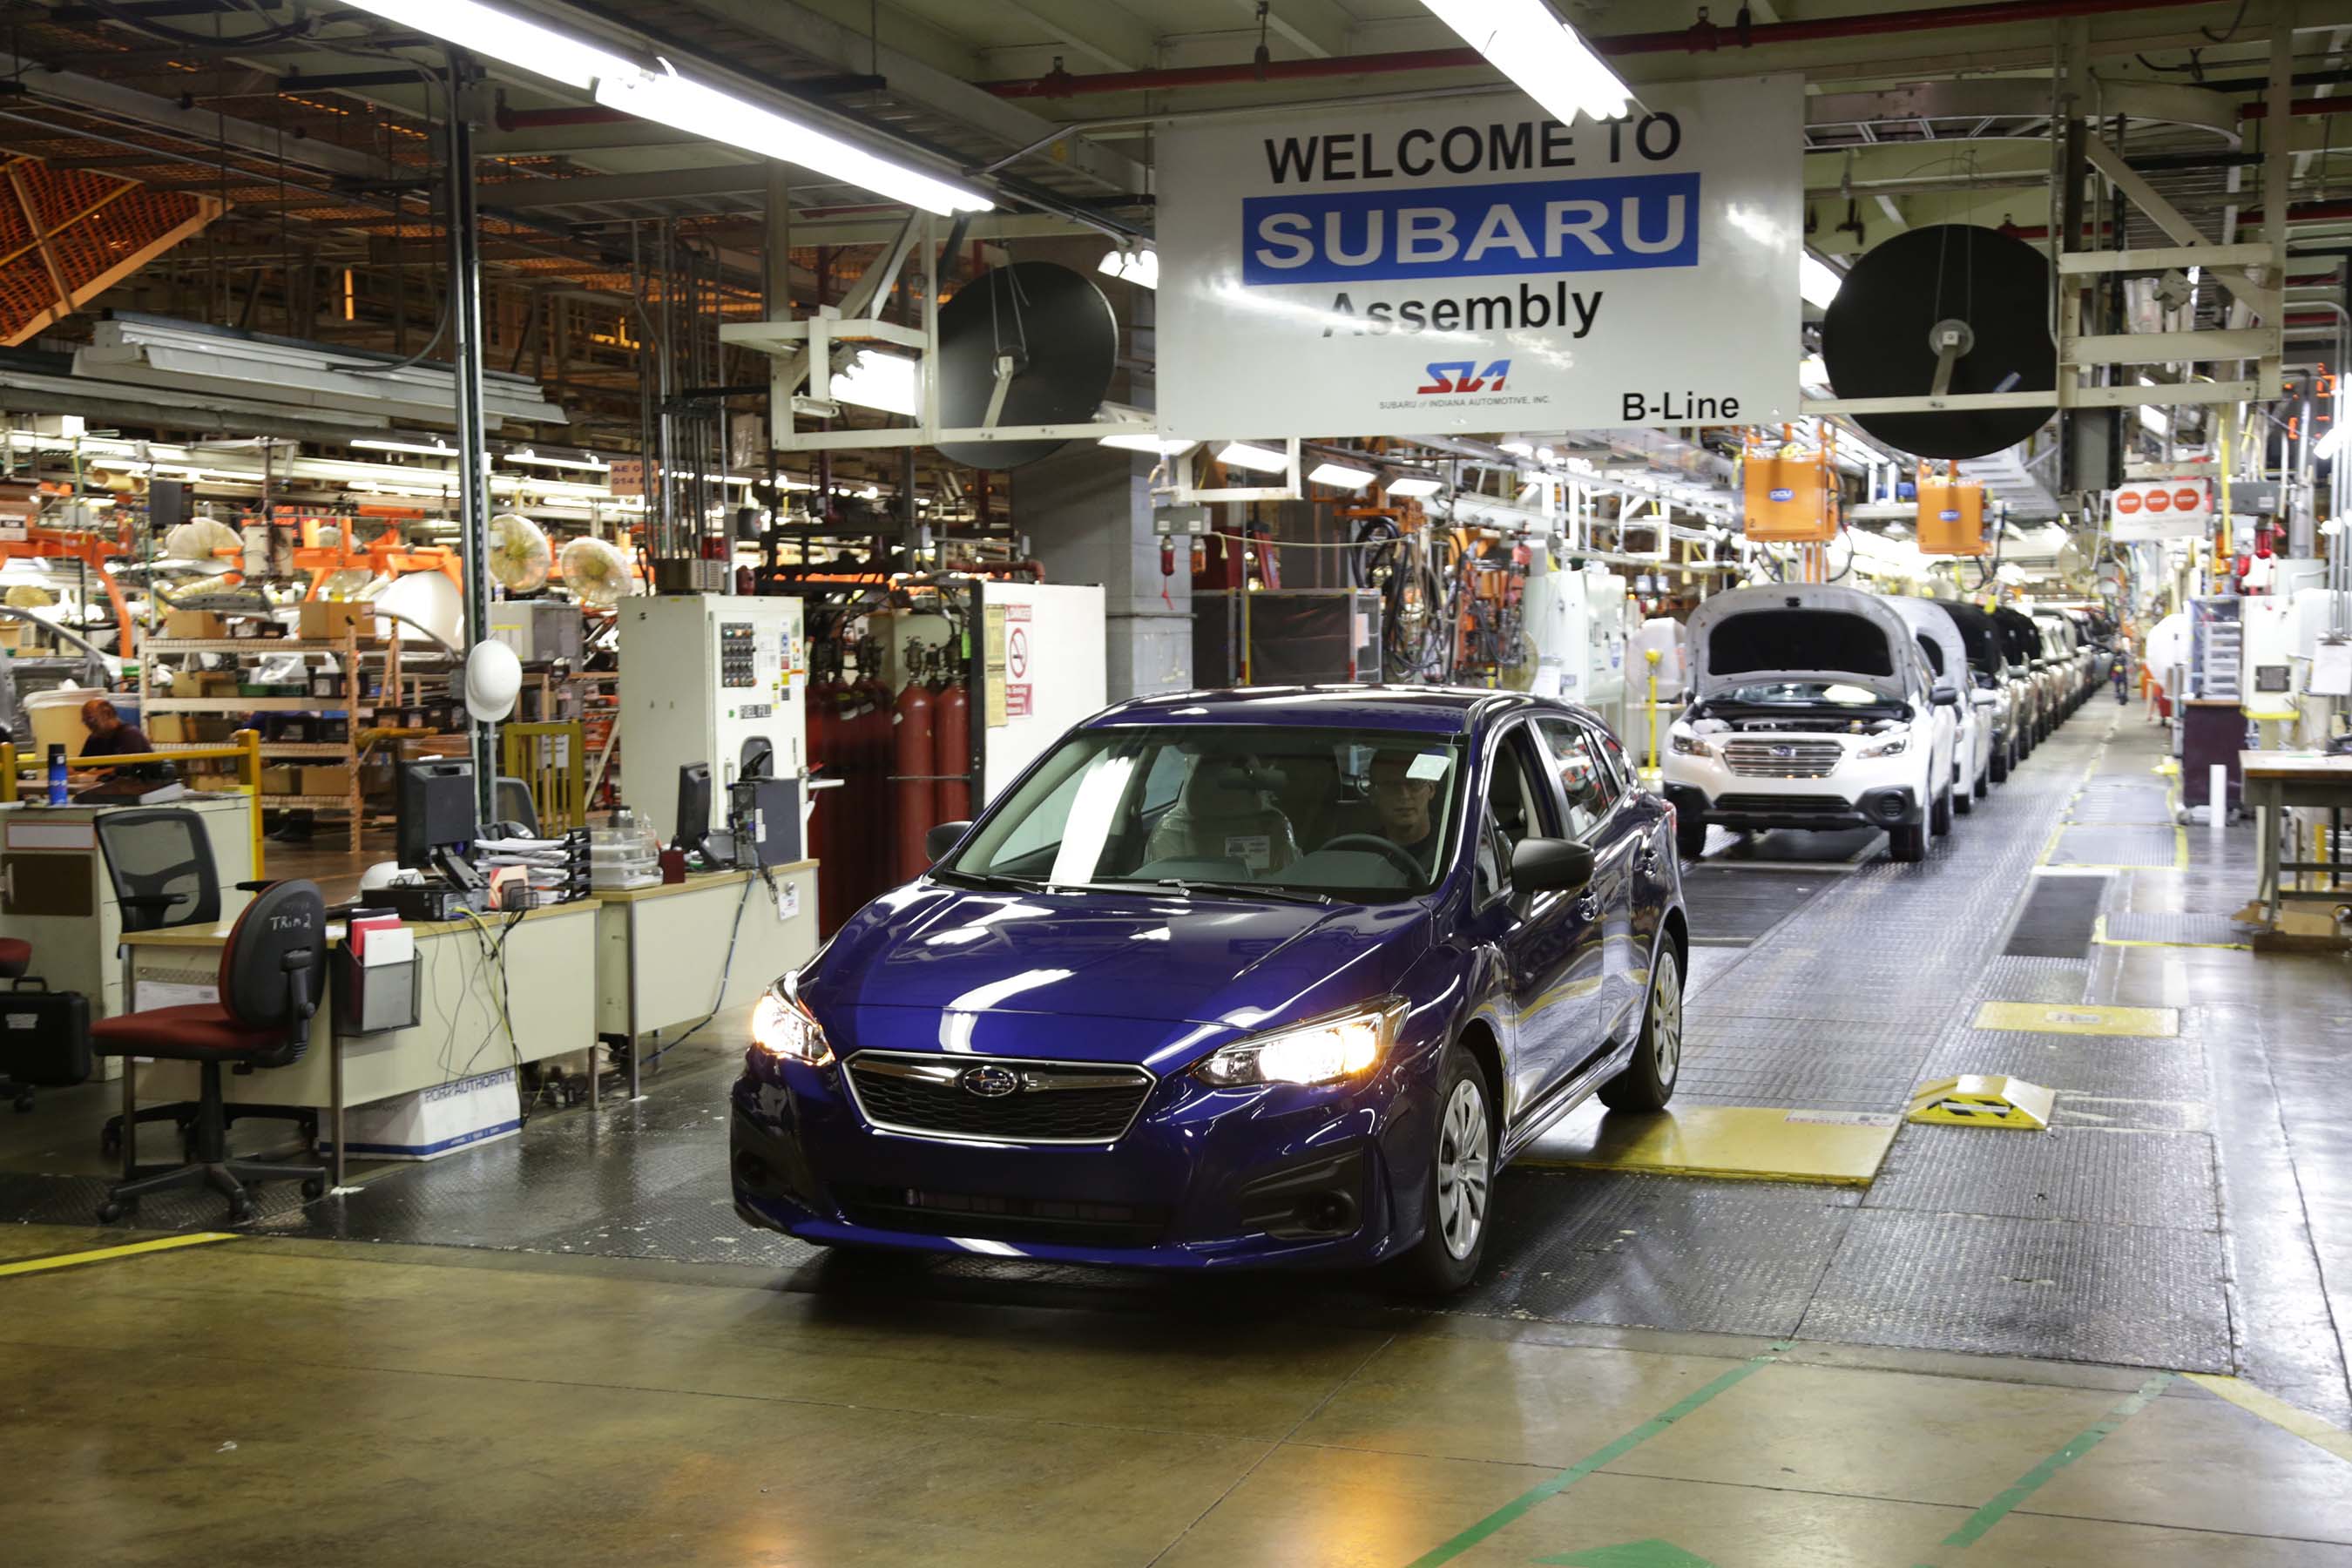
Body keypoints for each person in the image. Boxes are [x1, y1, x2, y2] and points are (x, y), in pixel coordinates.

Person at [1366, 747, 1444, 876]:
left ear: (1431, 790)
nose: (1405, 795)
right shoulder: (1360, 852)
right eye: (1391, 785)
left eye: (1415, 784)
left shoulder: (1452, 850)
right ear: (1373, 795)